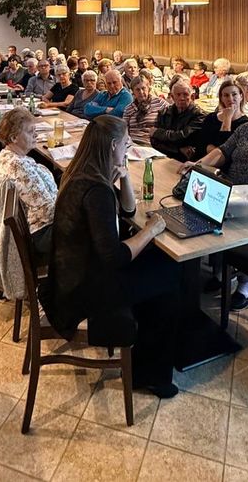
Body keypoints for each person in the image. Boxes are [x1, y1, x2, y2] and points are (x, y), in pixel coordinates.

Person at [41, 115, 180, 398]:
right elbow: (115, 257)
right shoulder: (96, 190)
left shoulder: (84, 173)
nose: (128, 149)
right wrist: (151, 229)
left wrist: (125, 174)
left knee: (158, 262)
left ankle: (147, 355)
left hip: (72, 273)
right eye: (126, 145)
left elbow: (128, 213)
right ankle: (149, 374)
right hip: (82, 290)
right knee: (170, 275)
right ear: (114, 144)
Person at [0, 107, 56, 256]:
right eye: (30, 131)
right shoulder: (17, 165)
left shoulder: (9, 156)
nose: (36, 134)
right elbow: (47, 212)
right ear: (14, 138)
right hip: (40, 231)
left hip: (37, 224)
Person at [150, 80, 204, 161]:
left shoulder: (199, 115)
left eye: (185, 94)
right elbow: (154, 142)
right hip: (163, 157)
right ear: (172, 97)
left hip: (185, 161)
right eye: (178, 95)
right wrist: (179, 149)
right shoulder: (164, 112)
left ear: (192, 97)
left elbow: (183, 136)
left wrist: (158, 132)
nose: (182, 98)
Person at [194, 79, 248, 157]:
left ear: (241, 96)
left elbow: (227, 152)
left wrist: (227, 119)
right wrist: (216, 151)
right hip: (201, 161)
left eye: (234, 94)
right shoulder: (211, 117)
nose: (230, 98)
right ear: (221, 98)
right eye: (226, 95)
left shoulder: (246, 124)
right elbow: (200, 145)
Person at [122, 75, 167, 145]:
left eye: (143, 88)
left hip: (153, 144)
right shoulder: (129, 109)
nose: (141, 92)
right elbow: (124, 131)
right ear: (133, 92)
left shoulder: (160, 103)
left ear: (148, 88)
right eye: (137, 90)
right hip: (133, 144)